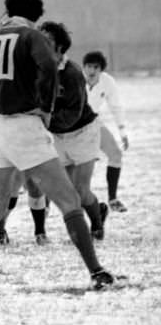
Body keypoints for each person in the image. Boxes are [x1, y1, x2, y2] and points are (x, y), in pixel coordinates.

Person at [0, 0, 114, 294]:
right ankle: (97, 271)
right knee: (68, 200)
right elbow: (49, 66)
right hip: (24, 125)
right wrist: (46, 107)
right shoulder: (32, 36)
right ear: (37, 15)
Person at [24, 22, 108, 242]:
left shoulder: (71, 74)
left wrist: (43, 120)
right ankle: (41, 232)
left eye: (48, 41)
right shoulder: (35, 69)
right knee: (62, 190)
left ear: (60, 48)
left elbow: (72, 114)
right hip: (57, 135)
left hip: (83, 132)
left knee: (80, 190)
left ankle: (97, 224)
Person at [82, 50, 129, 212]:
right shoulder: (75, 79)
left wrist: (122, 132)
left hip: (93, 123)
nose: (92, 71)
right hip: (72, 128)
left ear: (101, 69)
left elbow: (116, 106)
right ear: (84, 68)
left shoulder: (107, 82)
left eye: (96, 67)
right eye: (88, 66)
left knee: (116, 154)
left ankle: (113, 199)